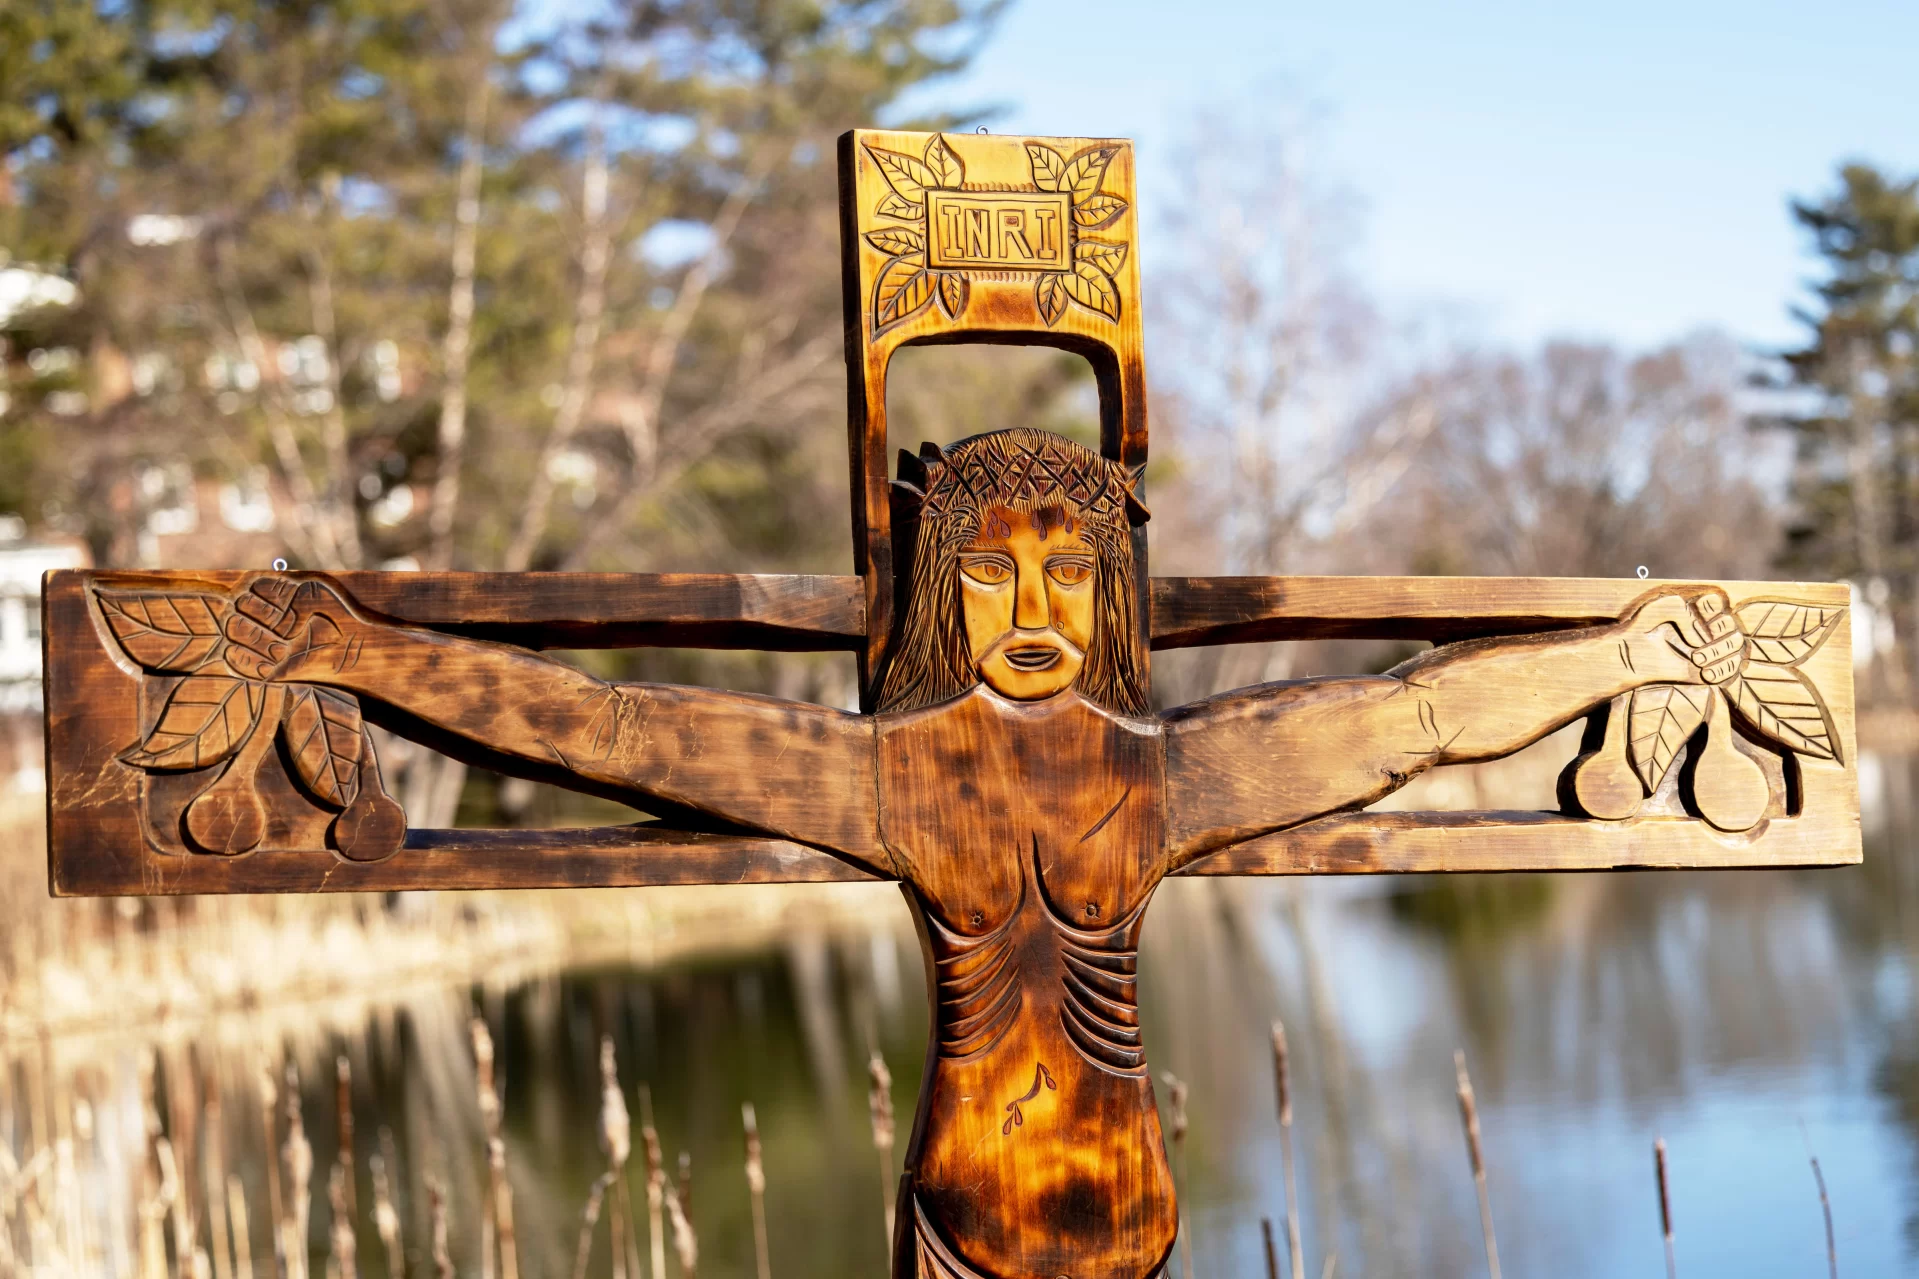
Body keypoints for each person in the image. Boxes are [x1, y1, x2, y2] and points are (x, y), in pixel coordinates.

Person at [222, 427, 1721, 1279]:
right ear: (939, 586)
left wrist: (1628, 651)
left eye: (1069, 573)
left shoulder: (1168, 777)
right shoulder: (889, 777)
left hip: (1130, 1218)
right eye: (991, 570)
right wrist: (364, 652)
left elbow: (1420, 715)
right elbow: (607, 727)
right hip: (958, 1231)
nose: (1031, 605)